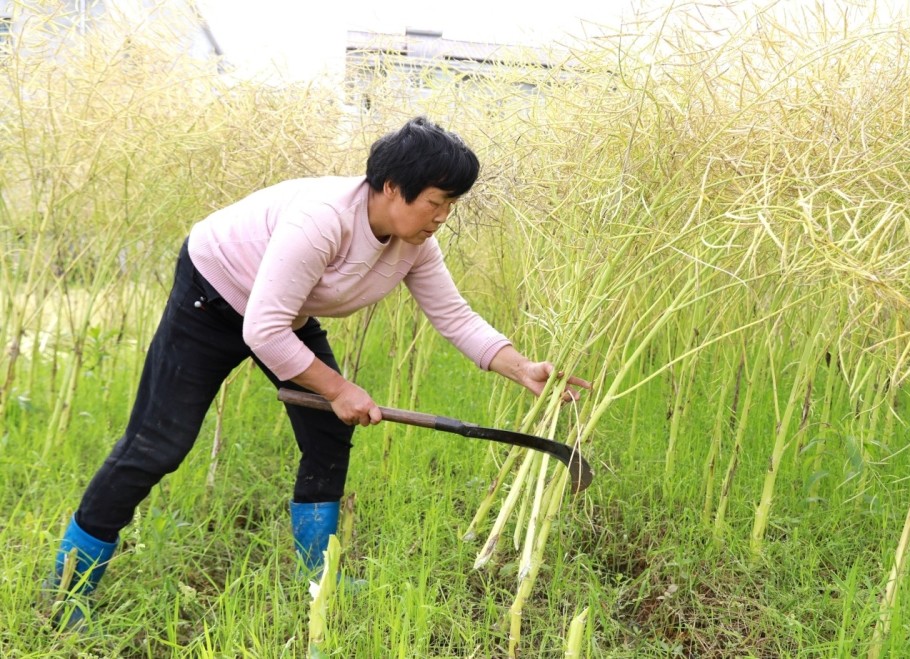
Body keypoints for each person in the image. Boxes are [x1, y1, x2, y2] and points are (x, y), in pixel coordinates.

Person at [45, 116, 590, 630]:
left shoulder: (415, 243)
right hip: (212, 298)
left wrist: (521, 368)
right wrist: (338, 387)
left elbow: (453, 315)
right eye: (437, 202)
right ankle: (67, 590)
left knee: (331, 431)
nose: (442, 215)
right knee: (157, 445)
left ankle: (317, 579)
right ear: (394, 188)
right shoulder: (323, 219)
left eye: (451, 205)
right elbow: (263, 330)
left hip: (283, 311)